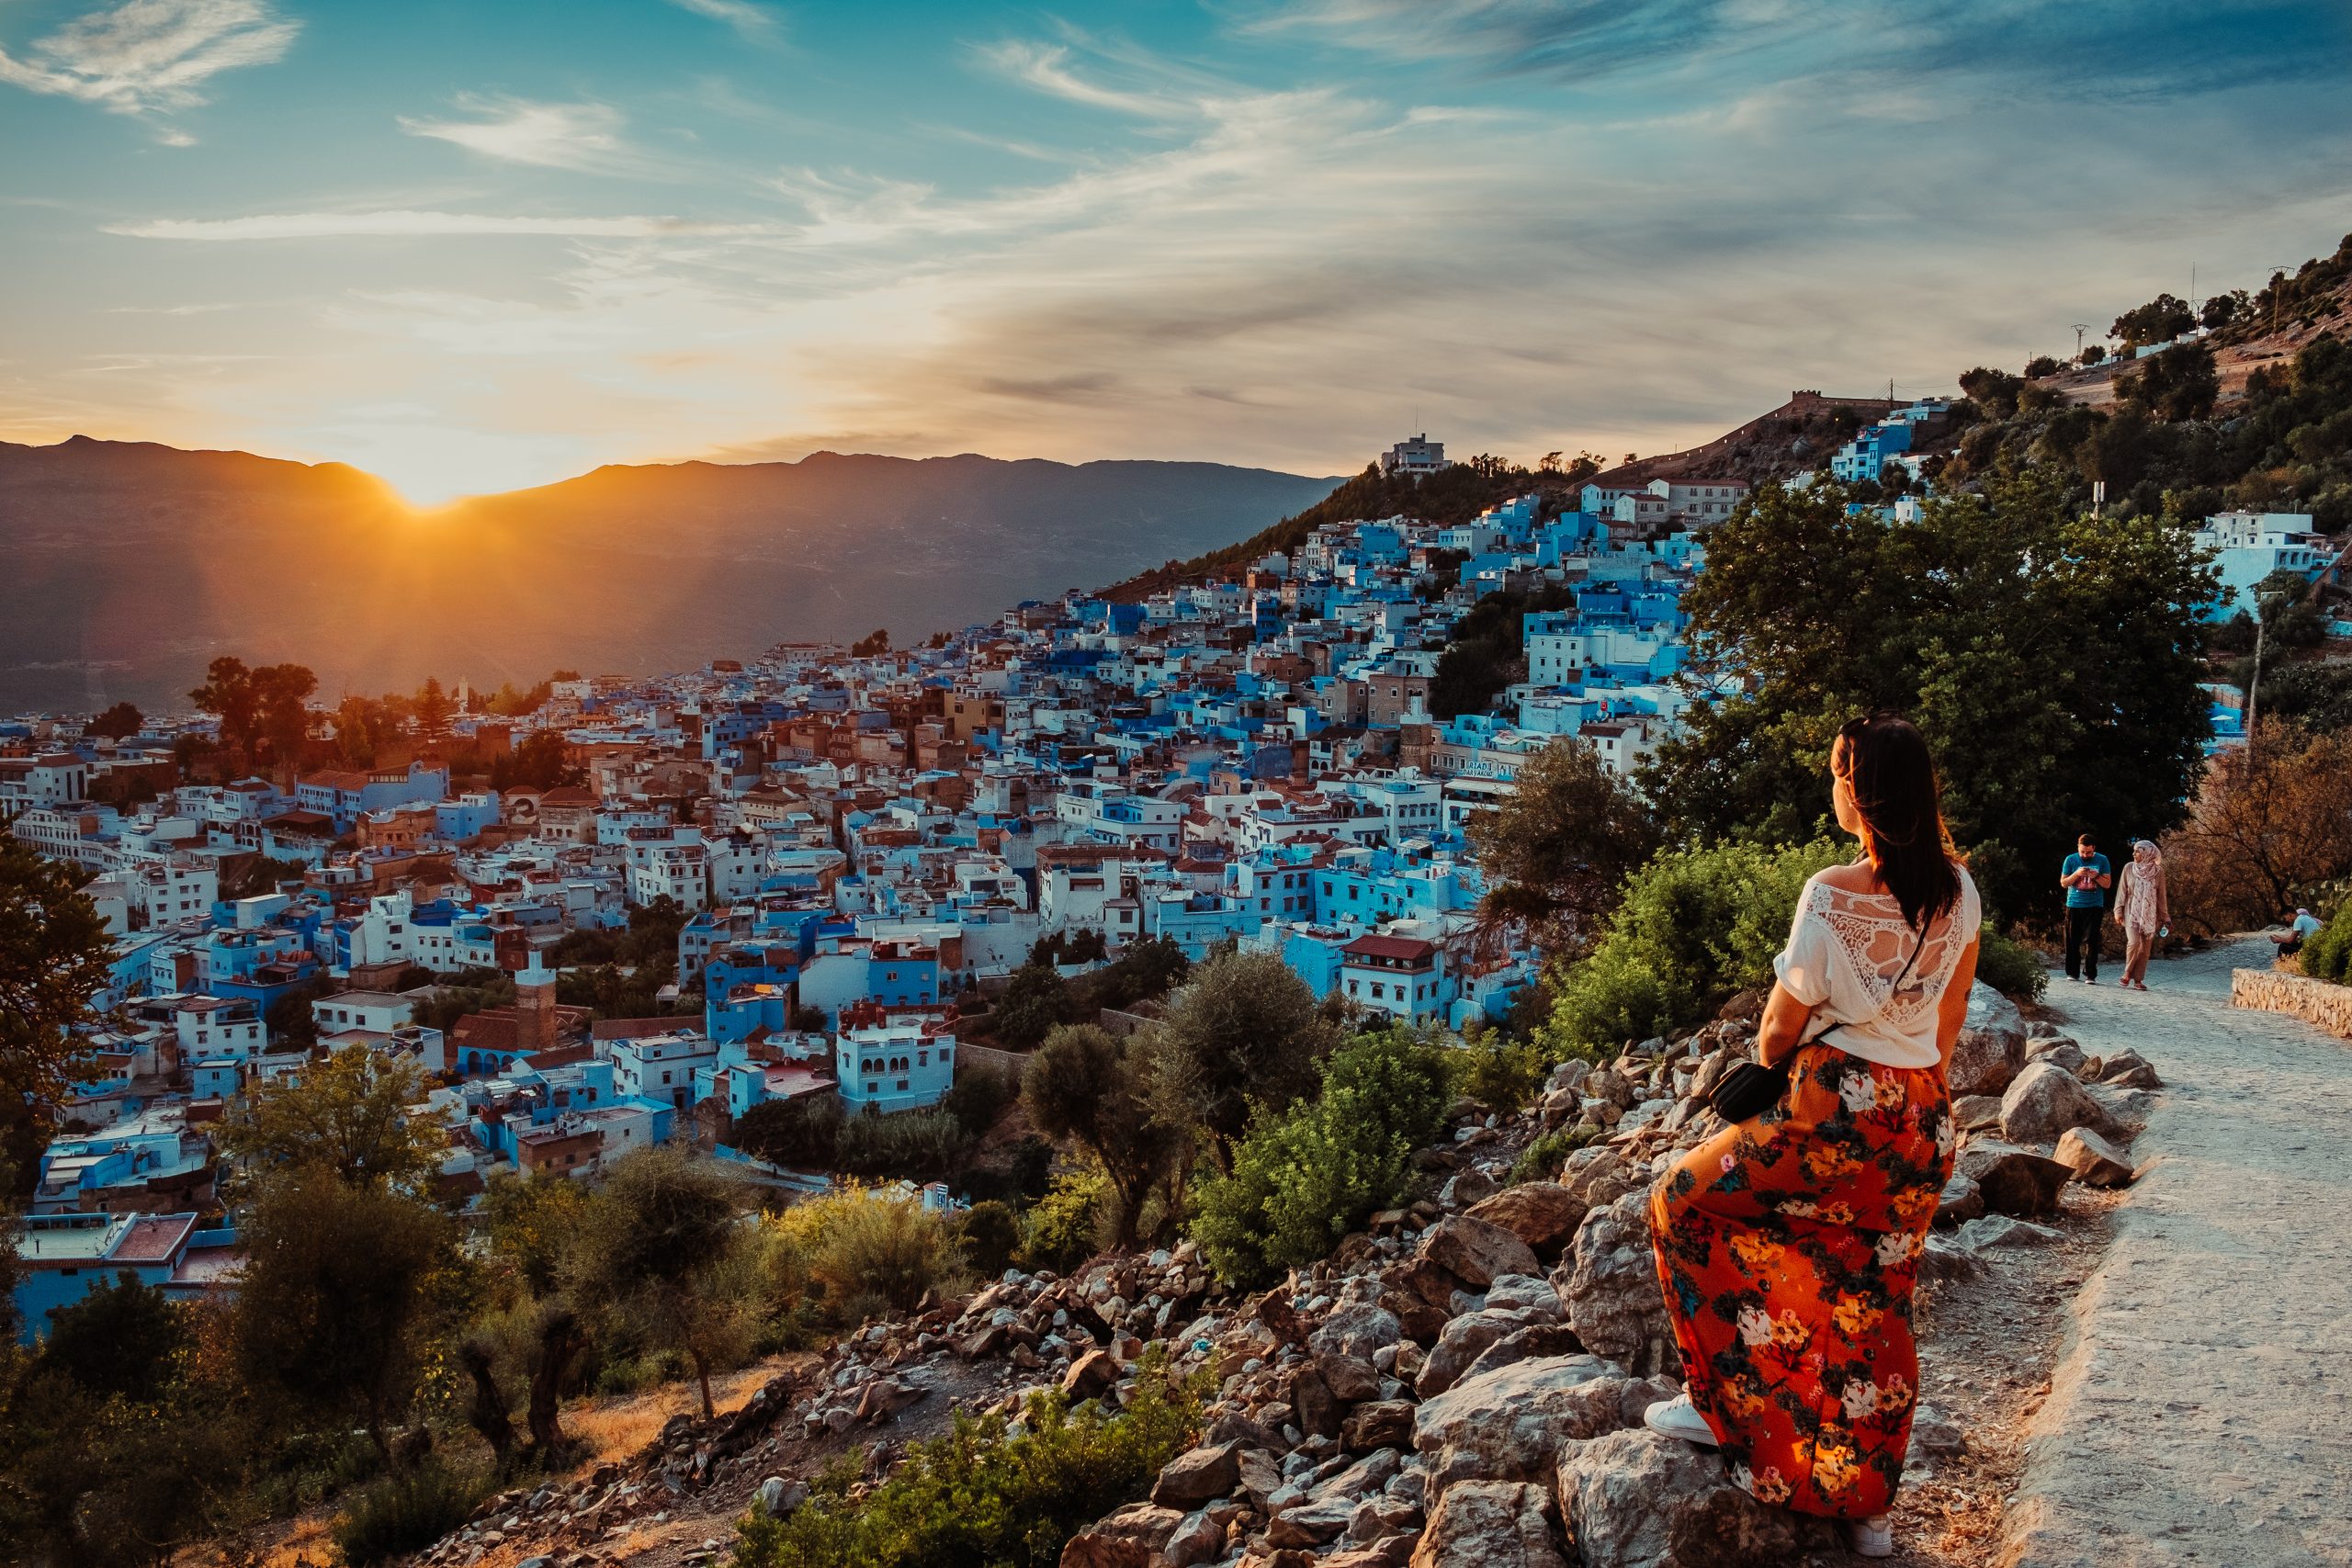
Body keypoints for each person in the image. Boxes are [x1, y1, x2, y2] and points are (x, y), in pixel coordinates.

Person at [1645, 712, 1979, 1561]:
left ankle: (1717, 1402)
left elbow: (1772, 1035)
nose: (1830, 783)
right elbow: (1944, 1036)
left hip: (1834, 1111)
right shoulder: (1962, 892)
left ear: (1858, 794)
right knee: (1874, 1292)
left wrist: (1824, 1044)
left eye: (1837, 771)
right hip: (1921, 1122)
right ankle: (1869, 1510)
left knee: (1681, 1204)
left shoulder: (1832, 892)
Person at [2111, 840, 2169, 990]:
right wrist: (2118, 910)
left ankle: (2138, 980)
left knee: (2145, 949)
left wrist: (2165, 916)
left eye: (2137, 851)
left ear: (2147, 853)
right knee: (2134, 943)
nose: (2134, 854)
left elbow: (2161, 896)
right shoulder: (2129, 868)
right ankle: (2126, 973)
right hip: (2131, 911)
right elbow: (2122, 890)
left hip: (2150, 914)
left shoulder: (2159, 872)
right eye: (2135, 851)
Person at [2059, 833, 2111, 984]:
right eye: (2082, 852)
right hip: (2074, 904)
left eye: (2088, 852)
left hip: (2094, 905)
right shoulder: (2070, 859)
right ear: (2078, 848)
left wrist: (2096, 876)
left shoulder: (2102, 860)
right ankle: (2072, 972)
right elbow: (2064, 883)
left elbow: (2107, 884)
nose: (2085, 855)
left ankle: (2090, 974)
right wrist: (2076, 874)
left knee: (2092, 940)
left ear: (2093, 849)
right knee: (2072, 940)